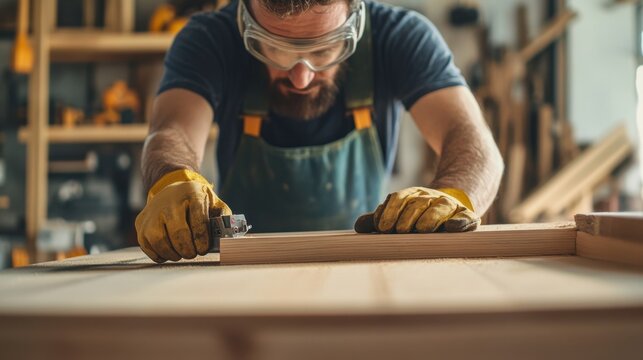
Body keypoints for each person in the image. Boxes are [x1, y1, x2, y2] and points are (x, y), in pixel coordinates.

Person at [135, 0, 504, 263]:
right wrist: (171, 181)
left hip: (370, 269)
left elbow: (472, 139)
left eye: (325, 50)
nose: (301, 75)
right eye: (275, 50)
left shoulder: (400, 36)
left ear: (354, 16)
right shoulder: (209, 39)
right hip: (240, 271)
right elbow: (171, 131)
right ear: (246, 15)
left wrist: (454, 195)